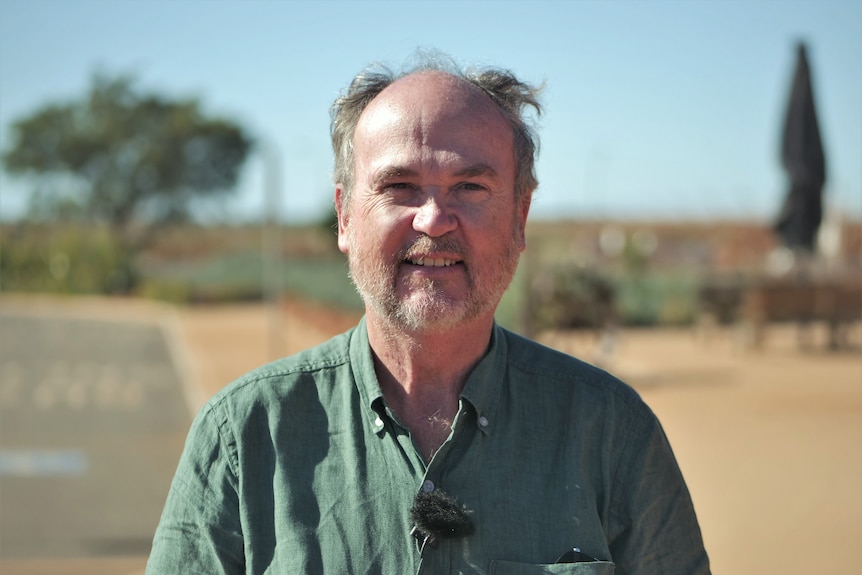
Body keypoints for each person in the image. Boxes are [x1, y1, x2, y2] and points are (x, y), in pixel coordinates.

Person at [146, 53, 710, 575]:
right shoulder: (244, 437)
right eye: (399, 186)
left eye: (470, 186)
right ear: (345, 217)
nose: (434, 219)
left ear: (521, 217)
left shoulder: (612, 432)